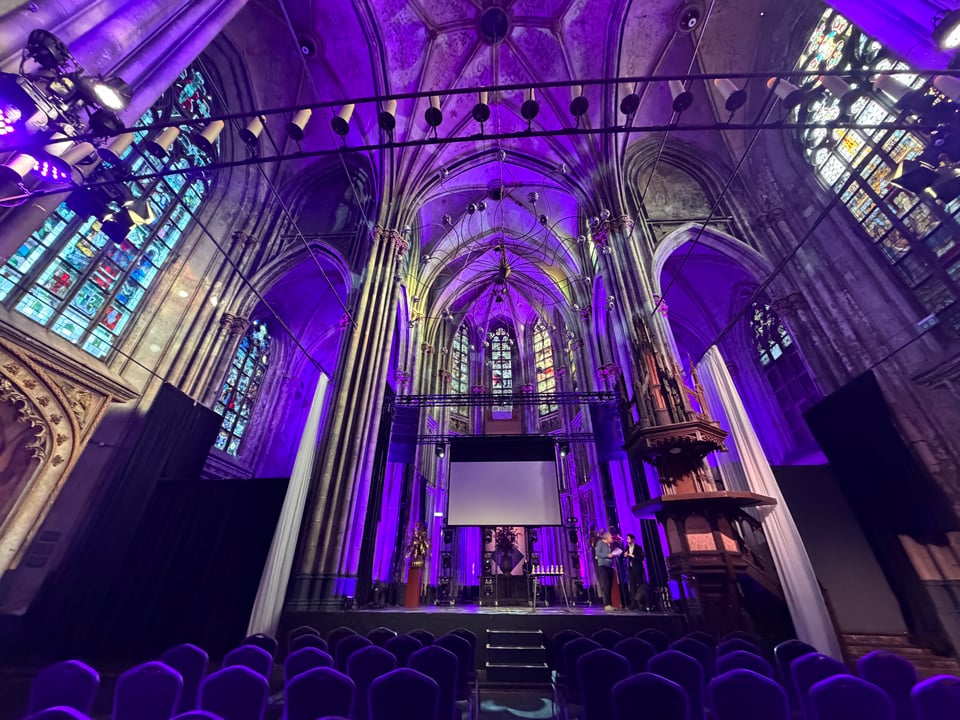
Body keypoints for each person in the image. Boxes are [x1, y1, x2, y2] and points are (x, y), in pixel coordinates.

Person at [624, 533, 651, 610]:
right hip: (631, 569)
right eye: (627, 539)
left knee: (639, 585)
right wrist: (625, 555)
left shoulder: (638, 548)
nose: (627, 540)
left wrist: (633, 556)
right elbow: (625, 556)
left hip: (637, 568)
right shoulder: (627, 547)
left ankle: (641, 603)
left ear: (632, 539)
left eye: (628, 539)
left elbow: (641, 558)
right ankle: (633, 604)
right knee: (632, 586)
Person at [594, 531, 617, 611]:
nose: (611, 538)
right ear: (606, 537)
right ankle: (606, 604)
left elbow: (610, 555)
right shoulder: (600, 543)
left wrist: (614, 554)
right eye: (610, 537)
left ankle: (610, 604)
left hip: (609, 566)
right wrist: (607, 555)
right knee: (606, 585)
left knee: (610, 585)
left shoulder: (609, 545)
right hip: (603, 566)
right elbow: (598, 554)